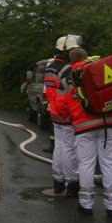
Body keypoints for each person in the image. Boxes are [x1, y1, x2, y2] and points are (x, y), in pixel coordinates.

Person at [56, 48, 112, 217]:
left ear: (70, 61)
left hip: (83, 127)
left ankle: (86, 205)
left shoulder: (67, 78)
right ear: (86, 57)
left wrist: (69, 116)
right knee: (109, 164)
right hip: (108, 124)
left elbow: (60, 107)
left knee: (86, 165)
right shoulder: (100, 68)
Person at [44, 34, 82, 196]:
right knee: (69, 148)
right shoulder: (67, 69)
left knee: (59, 147)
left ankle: (58, 180)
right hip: (66, 112)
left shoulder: (50, 67)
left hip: (54, 112)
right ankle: (72, 181)